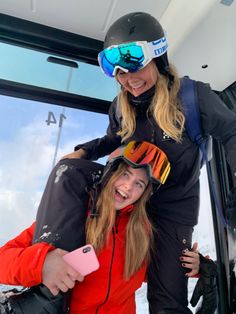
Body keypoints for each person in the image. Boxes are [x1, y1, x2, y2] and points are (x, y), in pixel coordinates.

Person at [62, 12, 236, 314]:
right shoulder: (120, 106)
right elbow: (113, 140)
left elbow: (231, 131)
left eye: (135, 68)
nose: (129, 81)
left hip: (173, 208)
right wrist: (82, 152)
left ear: (158, 57)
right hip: (129, 201)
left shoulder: (193, 98)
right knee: (95, 276)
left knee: (166, 303)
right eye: (119, 74)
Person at [0, 141, 200, 313]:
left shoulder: (143, 232)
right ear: (111, 172)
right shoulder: (69, 218)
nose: (129, 187)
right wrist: (41, 263)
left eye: (139, 184)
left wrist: (194, 266)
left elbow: (155, 272)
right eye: (125, 174)